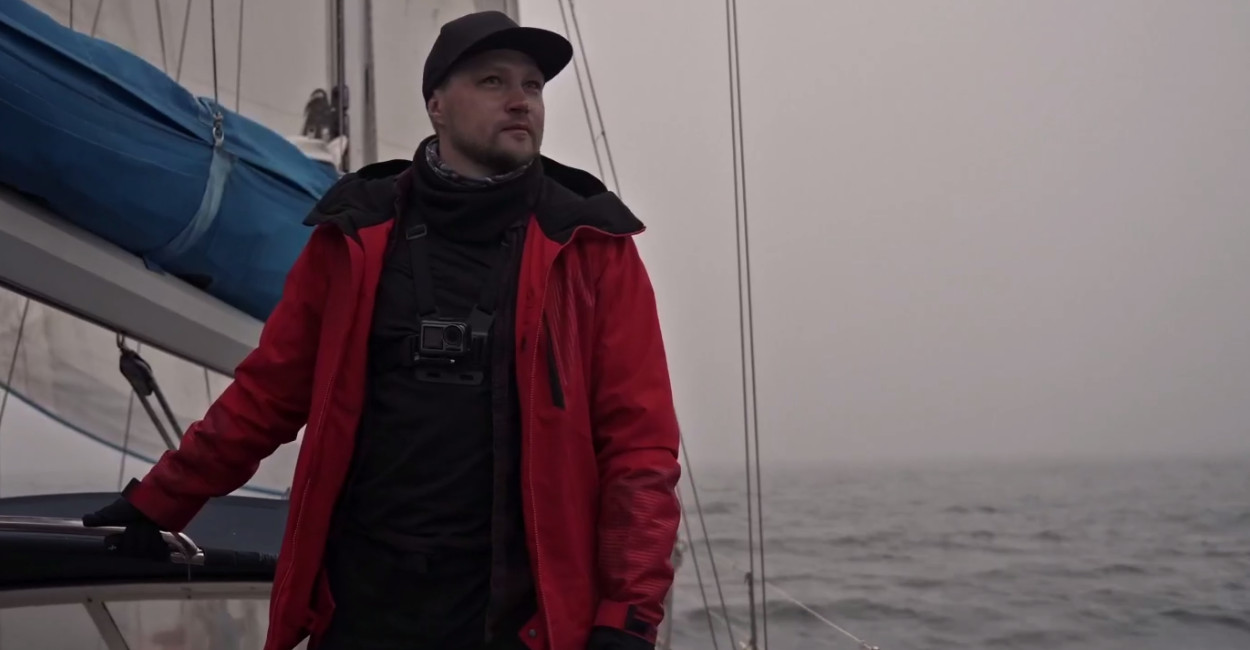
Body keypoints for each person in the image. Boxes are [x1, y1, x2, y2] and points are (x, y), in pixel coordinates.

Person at [81, 10, 682, 650]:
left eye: (532, 85)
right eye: (493, 81)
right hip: (365, 612)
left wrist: (628, 615)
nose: (520, 100)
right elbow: (270, 394)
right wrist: (161, 500)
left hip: (515, 624)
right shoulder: (356, 234)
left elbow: (638, 447)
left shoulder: (591, 247)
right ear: (436, 106)